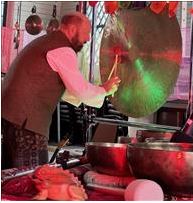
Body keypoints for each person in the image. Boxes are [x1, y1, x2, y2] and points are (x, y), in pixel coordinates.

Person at [1, 12, 121, 169]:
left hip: (12, 116)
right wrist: (104, 89)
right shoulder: (62, 49)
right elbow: (80, 91)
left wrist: (97, 92)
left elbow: (63, 89)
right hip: (26, 122)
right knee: (31, 177)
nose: (88, 39)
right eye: (86, 33)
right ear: (72, 29)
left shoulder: (46, 42)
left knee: (12, 176)